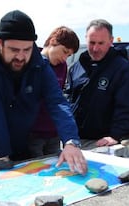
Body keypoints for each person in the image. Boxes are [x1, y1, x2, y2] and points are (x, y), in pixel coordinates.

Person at [0, 10, 87, 175]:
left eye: (27, 50)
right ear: (0, 43)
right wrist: (2, 154)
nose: (21, 57)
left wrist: (71, 142)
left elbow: (56, 101)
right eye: (14, 50)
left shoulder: (40, 64)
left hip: (20, 148)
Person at [64, 19, 129, 148]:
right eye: (91, 42)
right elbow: (67, 100)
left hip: (103, 143)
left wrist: (115, 135)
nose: (96, 48)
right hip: (74, 139)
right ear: (85, 39)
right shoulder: (76, 67)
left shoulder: (122, 69)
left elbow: (127, 107)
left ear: (111, 41)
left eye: (101, 43)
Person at [28, 26, 80, 157]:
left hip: (54, 132)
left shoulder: (63, 66)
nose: (64, 58)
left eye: (69, 55)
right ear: (52, 41)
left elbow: (59, 99)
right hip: (34, 133)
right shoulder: (31, 62)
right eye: (64, 51)